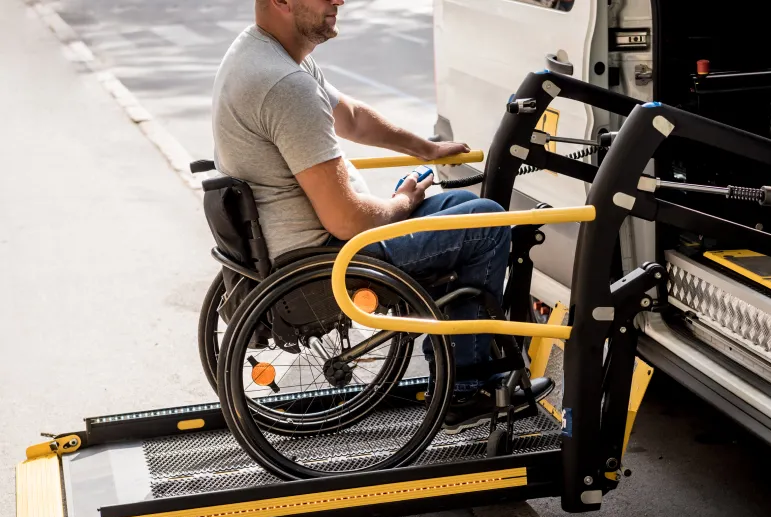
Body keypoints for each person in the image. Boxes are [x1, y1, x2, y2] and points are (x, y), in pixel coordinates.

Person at [211, 0, 551, 433]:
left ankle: (463, 361)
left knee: (460, 211)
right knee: (486, 224)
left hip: (303, 246)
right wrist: (403, 202)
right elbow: (348, 220)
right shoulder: (282, 84)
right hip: (328, 258)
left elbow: (350, 116)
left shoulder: (262, 53)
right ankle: (466, 389)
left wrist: (424, 149)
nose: (339, 1)